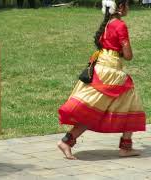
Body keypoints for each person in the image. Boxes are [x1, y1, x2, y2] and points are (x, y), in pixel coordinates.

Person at [57, 0, 146, 160]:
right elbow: (128, 56)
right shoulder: (120, 25)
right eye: (127, 4)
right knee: (131, 102)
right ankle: (124, 147)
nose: (128, 8)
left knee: (95, 109)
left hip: (102, 67)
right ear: (120, 7)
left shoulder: (107, 23)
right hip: (111, 70)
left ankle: (68, 141)